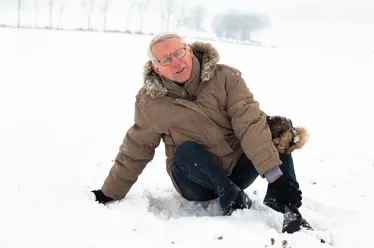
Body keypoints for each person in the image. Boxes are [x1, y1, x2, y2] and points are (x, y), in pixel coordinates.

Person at [91, 32, 309, 231]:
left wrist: (275, 177)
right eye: (166, 60)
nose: (176, 62)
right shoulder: (150, 101)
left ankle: (290, 211)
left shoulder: (226, 78)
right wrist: (109, 192)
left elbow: (249, 124)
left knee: (274, 129)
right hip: (195, 181)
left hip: (238, 169)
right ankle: (231, 197)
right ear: (156, 68)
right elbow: (137, 148)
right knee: (186, 151)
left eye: (178, 53)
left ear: (189, 50)